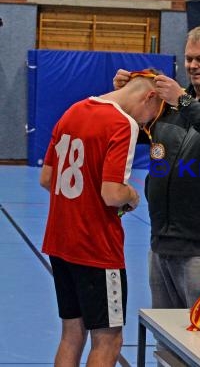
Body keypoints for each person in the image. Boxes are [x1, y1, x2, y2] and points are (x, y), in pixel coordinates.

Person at [113, 26, 200, 312]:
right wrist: (127, 94)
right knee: (165, 341)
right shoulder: (168, 106)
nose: (193, 66)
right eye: (189, 58)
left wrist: (184, 101)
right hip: (161, 246)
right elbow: (131, 128)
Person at [40, 69, 163, 366]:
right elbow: (112, 194)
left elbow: (46, 178)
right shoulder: (122, 123)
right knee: (108, 340)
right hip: (96, 249)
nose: (146, 124)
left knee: (72, 333)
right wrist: (132, 196)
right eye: (151, 117)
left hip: (60, 242)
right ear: (149, 96)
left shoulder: (74, 110)